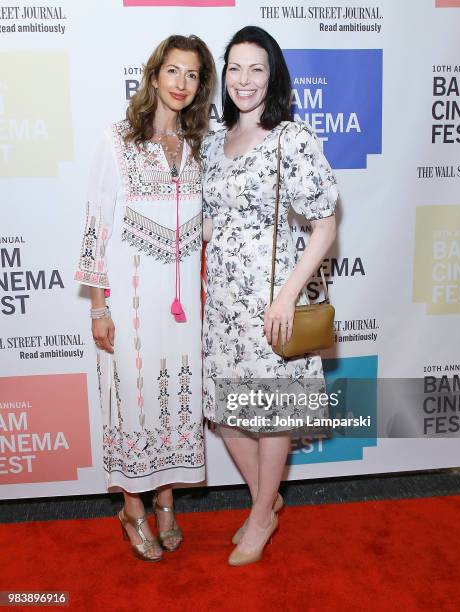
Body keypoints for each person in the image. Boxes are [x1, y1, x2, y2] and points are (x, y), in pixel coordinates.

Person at [75, 35, 215, 561]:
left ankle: (166, 503)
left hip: (182, 310)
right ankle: (132, 509)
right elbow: (96, 226)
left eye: (193, 75)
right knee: (134, 402)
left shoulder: (200, 148)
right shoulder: (117, 140)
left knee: (173, 401)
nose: (181, 83)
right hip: (131, 305)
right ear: (154, 75)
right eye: (173, 71)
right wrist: (99, 306)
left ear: (201, 85)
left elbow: (205, 227)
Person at [201, 26, 338, 566]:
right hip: (222, 306)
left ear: (273, 75)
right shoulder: (214, 142)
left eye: (256, 68)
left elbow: (324, 226)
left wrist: (286, 297)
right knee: (229, 415)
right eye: (235, 68)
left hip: (271, 303)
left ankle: (260, 517)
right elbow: (214, 223)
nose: (244, 80)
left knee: (271, 412)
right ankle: (268, 498)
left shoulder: (292, 139)